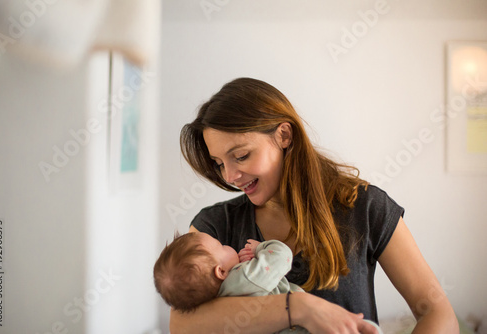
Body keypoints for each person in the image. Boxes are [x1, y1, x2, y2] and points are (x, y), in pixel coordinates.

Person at [171, 77, 459, 334]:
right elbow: (182, 324)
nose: (230, 176)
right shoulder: (214, 226)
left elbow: (438, 313)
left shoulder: (367, 207)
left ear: (284, 136)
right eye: (220, 164)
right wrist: (298, 308)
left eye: (242, 156)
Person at [154, 232, 383, 334]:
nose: (226, 244)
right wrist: (260, 248)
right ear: (221, 271)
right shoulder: (245, 277)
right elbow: (281, 257)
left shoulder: (217, 298)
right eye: (221, 245)